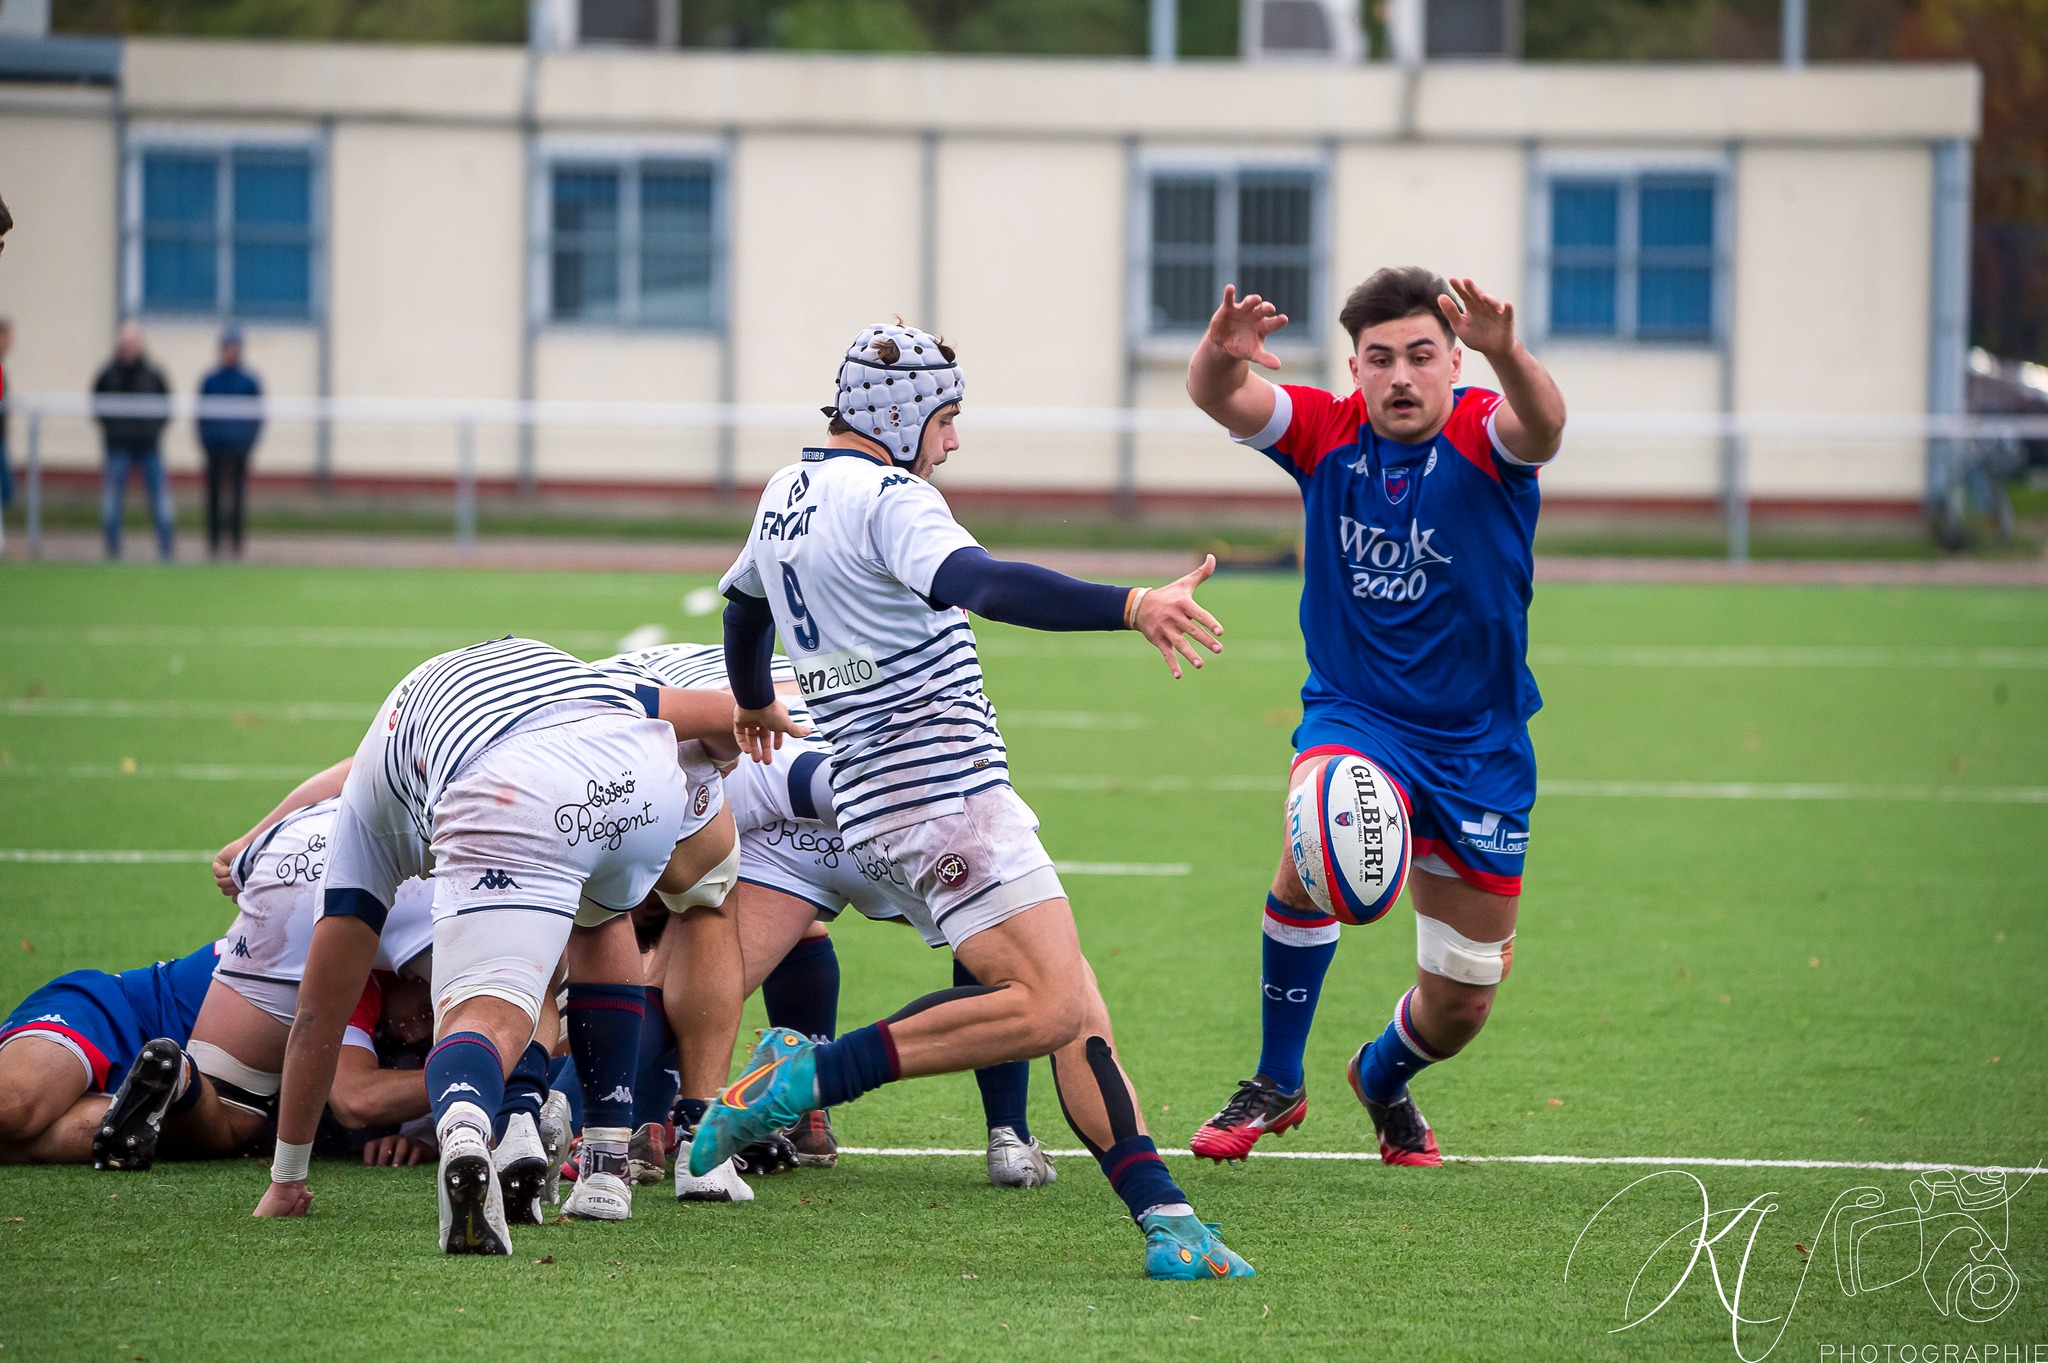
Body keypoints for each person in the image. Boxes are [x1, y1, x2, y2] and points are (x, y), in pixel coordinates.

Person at [699, 322, 1253, 1280]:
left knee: (1073, 1002)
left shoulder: (785, 494)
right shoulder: (890, 496)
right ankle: (800, 1078)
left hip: (886, 795)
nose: (952, 442)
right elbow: (984, 582)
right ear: (903, 414)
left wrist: (751, 696)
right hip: (943, 794)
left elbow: (743, 603)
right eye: (947, 419)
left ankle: (1167, 1219)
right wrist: (1131, 603)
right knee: (1042, 1005)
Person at [1180, 268, 1567, 1167]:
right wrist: (1218, 351)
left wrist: (1513, 355)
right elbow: (1219, 394)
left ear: (1454, 359)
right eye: (1380, 358)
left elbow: (1542, 423)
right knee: (1315, 833)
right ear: (1355, 367)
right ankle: (1278, 1079)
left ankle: (1382, 1074)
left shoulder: (1484, 431)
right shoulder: (1325, 431)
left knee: (1464, 995)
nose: (1400, 376)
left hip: (1481, 748)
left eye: (1420, 356)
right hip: (1359, 716)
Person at [249, 637, 748, 1255]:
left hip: (511, 791)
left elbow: (318, 1016)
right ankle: (605, 1171)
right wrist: (757, 722)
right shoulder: (552, 670)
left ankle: (467, 1124)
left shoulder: (362, 822)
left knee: (490, 1010)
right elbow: (718, 714)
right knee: (620, 915)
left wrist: (288, 1175)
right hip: (642, 782)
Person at [604, 641, 1056, 1193]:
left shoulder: (648, 682)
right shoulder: (869, 649)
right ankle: (1005, 1134)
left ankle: (620, 1120)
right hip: (878, 798)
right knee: (998, 940)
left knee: (682, 939)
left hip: (774, 800)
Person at [0, 938, 223, 1164]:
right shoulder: (256, 931)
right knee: (13, 1107)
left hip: (184, 1090)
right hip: (110, 1008)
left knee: (99, 1131)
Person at [91, 321, 175, 561]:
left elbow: (165, 406)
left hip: (149, 446)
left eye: (132, 343)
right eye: (124, 343)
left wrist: (152, 430)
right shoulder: (108, 375)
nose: (128, 347)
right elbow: (97, 405)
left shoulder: (153, 374)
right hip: (118, 447)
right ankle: (112, 547)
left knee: (160, 498)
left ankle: (166, 546)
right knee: (112, 499)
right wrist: (115, 431)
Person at [197, 324, 263, 559]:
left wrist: (248, 441)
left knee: (237, 497)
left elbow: (258, 415)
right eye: (227, 347)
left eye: (234, 347)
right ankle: (214, 544)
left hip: (239, 446)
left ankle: (236, 544)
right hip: (215, 445)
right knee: (213, 496)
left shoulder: (249, 381)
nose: (231, 352)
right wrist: (206, 441)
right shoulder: (210, 380)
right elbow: (201, 414)